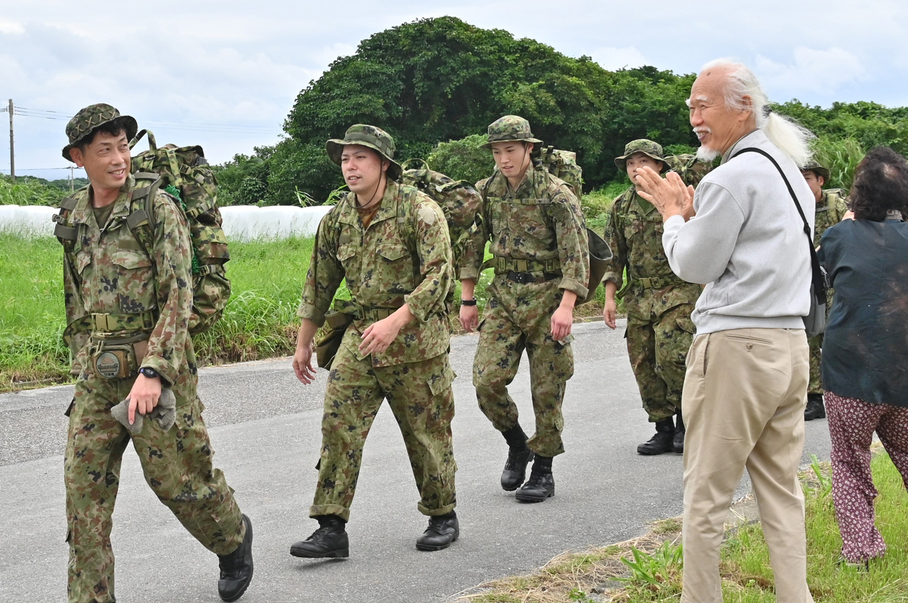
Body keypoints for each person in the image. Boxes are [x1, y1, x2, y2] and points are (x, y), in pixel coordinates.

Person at [35, 104, 253, 603]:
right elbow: (76, 300)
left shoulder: (157, 207)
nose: (118, 158)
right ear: (77, 158)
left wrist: (154, 370)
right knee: (82, 481)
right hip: (98, 374)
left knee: (178, 484)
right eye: (104, 149)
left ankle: (232, 538)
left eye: (123, 146)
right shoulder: (74, 216)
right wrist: (81, 360)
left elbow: (180, 296)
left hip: (156, 368)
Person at [635, 60, 819, 603]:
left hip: (737, 345)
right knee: (780, 484)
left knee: (707, 487)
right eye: (691, 106)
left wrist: (672, 216)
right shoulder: (790, 171)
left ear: (743, 106)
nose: (694, 118)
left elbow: (694, 264)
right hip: (790, 344)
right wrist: (693, 217)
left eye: (704, 105)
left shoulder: (732, 178)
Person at [290, 124, 459, 557]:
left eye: (360, 158)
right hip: (362, 336)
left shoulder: (419, 211)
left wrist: (397, 321)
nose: (350, 166)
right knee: (338, 425)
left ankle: (442, 515)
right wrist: (304, 343)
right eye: (345, 159)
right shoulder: (337, 218)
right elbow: (319, 284)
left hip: (416, 342)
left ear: (383, 164)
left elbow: (439, 276)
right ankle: (331, 526)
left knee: (425, 433)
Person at [459, 115, 589, 502]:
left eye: (510, 150)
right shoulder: (487, 191)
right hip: (504, 296)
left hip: (549, 296)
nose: (504, 159)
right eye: (497, 152)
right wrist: (468, 298)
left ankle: (544, 470)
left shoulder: (556, 194)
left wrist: (567, 306)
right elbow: (471, 244)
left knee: (547, 388)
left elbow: (576, 255)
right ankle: (518, 443)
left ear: (529, 149)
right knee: (486, 381)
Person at [818, 147, 908, 568]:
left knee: (850, 463)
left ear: (857, 194)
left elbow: (825, 275)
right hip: (904, 373)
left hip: (848, 372)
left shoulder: (838, 236)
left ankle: (860, 551)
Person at [602, 140, 701, 455]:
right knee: (644, 363)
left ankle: (687, 423)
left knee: (675, 357)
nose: (635, 169)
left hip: (679, 289)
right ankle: (663, 427)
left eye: (642, 162)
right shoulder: (621, 206)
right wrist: (609, 297)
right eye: (630, 164)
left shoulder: (678, 195)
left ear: (659, 165)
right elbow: (613, 255)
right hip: (641, 297)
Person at [800, 160, 849, 421]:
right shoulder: (793, 206)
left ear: (821, 181)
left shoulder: (836, 207)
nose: (802, 184)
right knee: (808, 335)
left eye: (807, 178)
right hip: (807, 280)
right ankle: (815, 396)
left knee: (835, 336)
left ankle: (841, 393)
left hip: (836, 281)